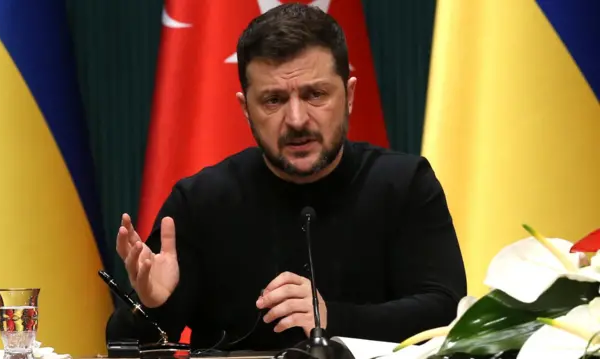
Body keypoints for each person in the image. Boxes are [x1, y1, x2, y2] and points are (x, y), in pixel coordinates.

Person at [109, 3, 467, 352]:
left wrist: (333, 318)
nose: (297, 120)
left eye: (315, 94)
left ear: (350, 96)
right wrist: (152, 306)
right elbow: (124, 344)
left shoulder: (403, 184)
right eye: (274, 100)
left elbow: (448, 313)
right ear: (245, 109)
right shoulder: (200, 201)